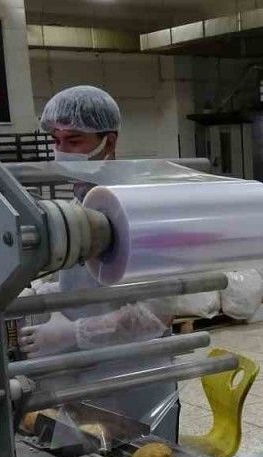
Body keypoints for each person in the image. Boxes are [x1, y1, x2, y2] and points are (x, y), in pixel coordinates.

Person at [19, 85, 180, 439]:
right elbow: (84, 276)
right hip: (82, 374)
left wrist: (74, 332)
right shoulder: (79, 201)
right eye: (56, 140)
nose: (62, 150)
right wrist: (46, 297)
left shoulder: (141, 204)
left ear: (109, 141)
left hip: (133, 378)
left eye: (74, 140)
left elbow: (158, 312)